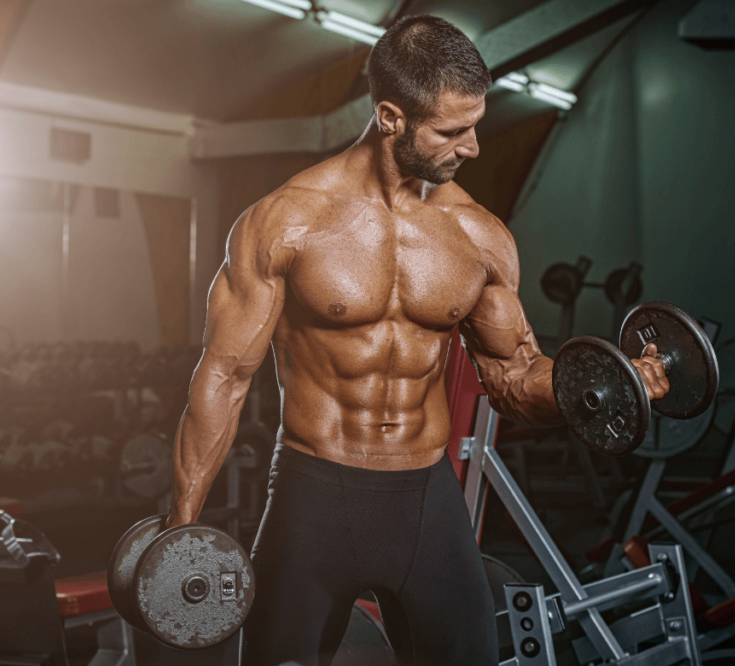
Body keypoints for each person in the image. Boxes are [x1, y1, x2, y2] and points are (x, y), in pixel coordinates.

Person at [165, 14, 669, 666]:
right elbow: (225, 377)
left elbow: (514, 378)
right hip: (315, 495)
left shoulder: (478, 236)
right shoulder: (286, 222)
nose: (475, 147)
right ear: (391, 118)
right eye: (452, 131)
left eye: (477, 124)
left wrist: (608, 383)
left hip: (427, 503)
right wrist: (181, 525)